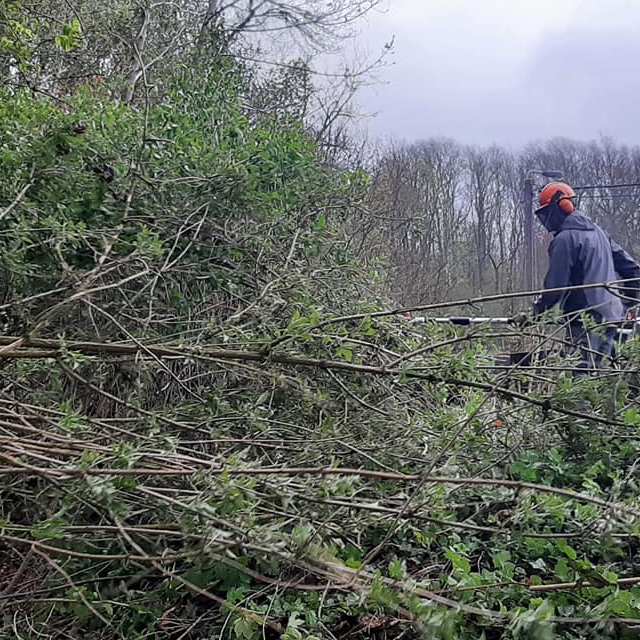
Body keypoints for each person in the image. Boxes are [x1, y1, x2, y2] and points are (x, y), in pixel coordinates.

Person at [532, 181, 640, 372]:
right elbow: (632, 270)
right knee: (603, 376)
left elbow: (556, 287)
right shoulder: (598, 233)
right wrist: (626, 303)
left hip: (584, 320)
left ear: (561, 206)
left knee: (580, 374)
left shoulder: (565, 240)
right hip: (612, 318)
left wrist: (538, 312)